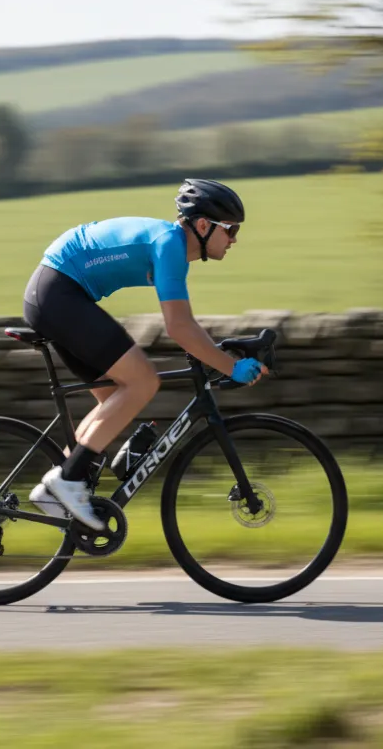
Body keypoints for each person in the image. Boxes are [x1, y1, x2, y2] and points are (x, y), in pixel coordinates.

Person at [23, 178, 267, 531]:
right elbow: (180, 327)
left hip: (55, 293)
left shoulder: (172, 247)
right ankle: (67, 482)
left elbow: (184, 324)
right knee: (143, 381)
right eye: (230, 230)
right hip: (59, 293)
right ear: (202, 225)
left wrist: (219, 353)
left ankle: (62, 484)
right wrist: (231, 367)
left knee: (113, 398)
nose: (234, 239)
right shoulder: (169, 244)